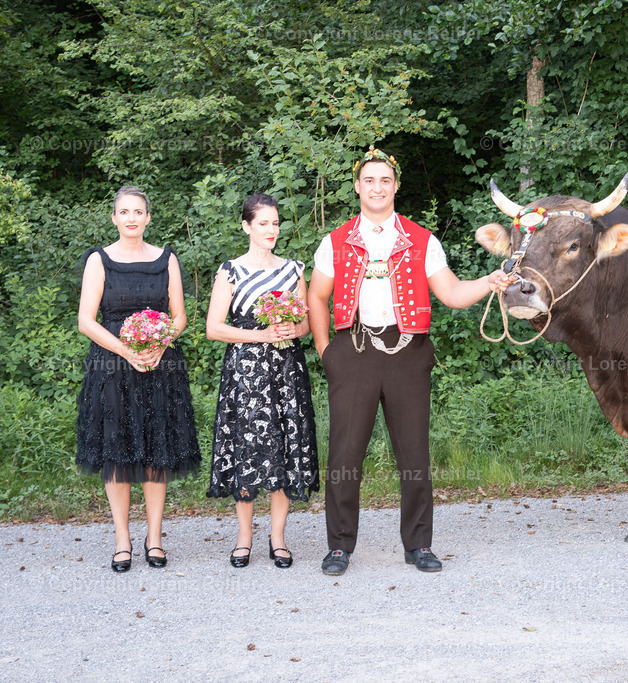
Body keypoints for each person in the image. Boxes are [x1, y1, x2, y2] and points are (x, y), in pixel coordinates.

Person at [308, 146, 512, 575]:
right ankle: (339, 546)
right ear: (358, 187)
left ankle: (418, 545)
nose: (377, 187)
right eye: (369, 180)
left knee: (414, 454)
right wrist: (327, 351)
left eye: (385, 180)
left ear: (396, 186)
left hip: (408, 353)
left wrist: (488, 282)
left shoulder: (422, 240)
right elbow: (317, 297)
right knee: (345, 455)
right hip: (354, 350)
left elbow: (452, 294)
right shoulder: (336, 241)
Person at [76, 185, 201, 572]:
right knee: (117, 451)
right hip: (112, 367)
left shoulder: (166, 259)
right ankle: (122, 541)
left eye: (138, 212)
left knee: (156, 450)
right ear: (114, 218)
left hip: (160, 364)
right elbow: (85, 321)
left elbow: (179, 315)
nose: (131, 218)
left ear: (148, 218)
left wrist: (161, 343)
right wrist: (127, 351)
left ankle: (155, 539)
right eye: (124, 212)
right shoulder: (99, 260)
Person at [205, 193, 319, 569]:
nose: (271, 230)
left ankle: (278, 537)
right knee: (247, 448)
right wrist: (262, 335)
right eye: (263, 223)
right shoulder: (231, 270)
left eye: (275, 223)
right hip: (246, 371)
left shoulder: (293, 269)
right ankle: (243, 537)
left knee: (285, 446)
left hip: (286, 369)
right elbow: (214, 328)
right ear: (246, 226)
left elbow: (305, 324)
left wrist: (291, 327)